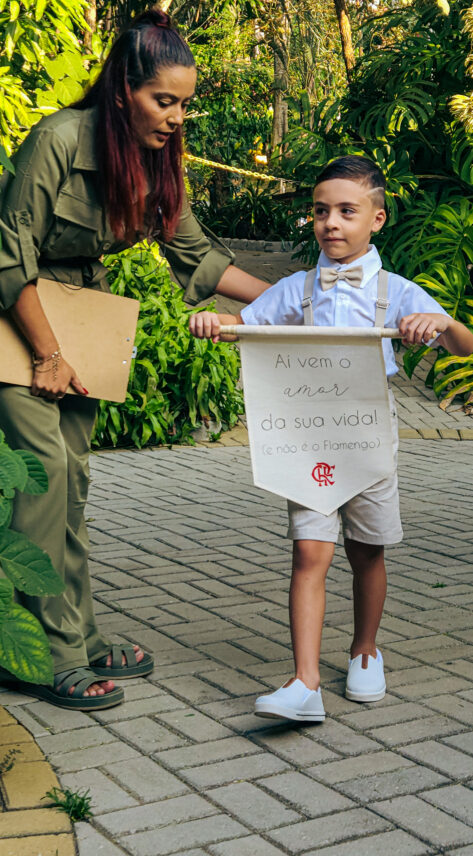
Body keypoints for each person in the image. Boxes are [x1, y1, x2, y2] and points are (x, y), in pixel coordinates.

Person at [0, 9, 269, 711]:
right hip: (20, 315)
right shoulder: (57, 139)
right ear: (124, 88)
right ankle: (38, 656)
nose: (177, 116)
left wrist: (290, 303)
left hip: (85, 312)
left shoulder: (154, 159)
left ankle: (80, 638)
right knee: (43, 476)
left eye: (184, 103)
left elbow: (199, 257)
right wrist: (48, 353)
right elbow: (8, 255)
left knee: (74, 483)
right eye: (164, 100)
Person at [190, 155, 473, 722]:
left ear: (378, 219)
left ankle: (365, 650)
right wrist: (214, 323)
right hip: (307, 436)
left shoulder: (398, 290)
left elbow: (465, 345)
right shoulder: (296, 290)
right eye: (321, 212)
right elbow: (246, 326)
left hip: (369, 437)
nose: (332, 224)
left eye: (347, 211)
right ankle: (305, 682)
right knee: (309, 551)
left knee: (367, 551)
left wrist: (439, 325)